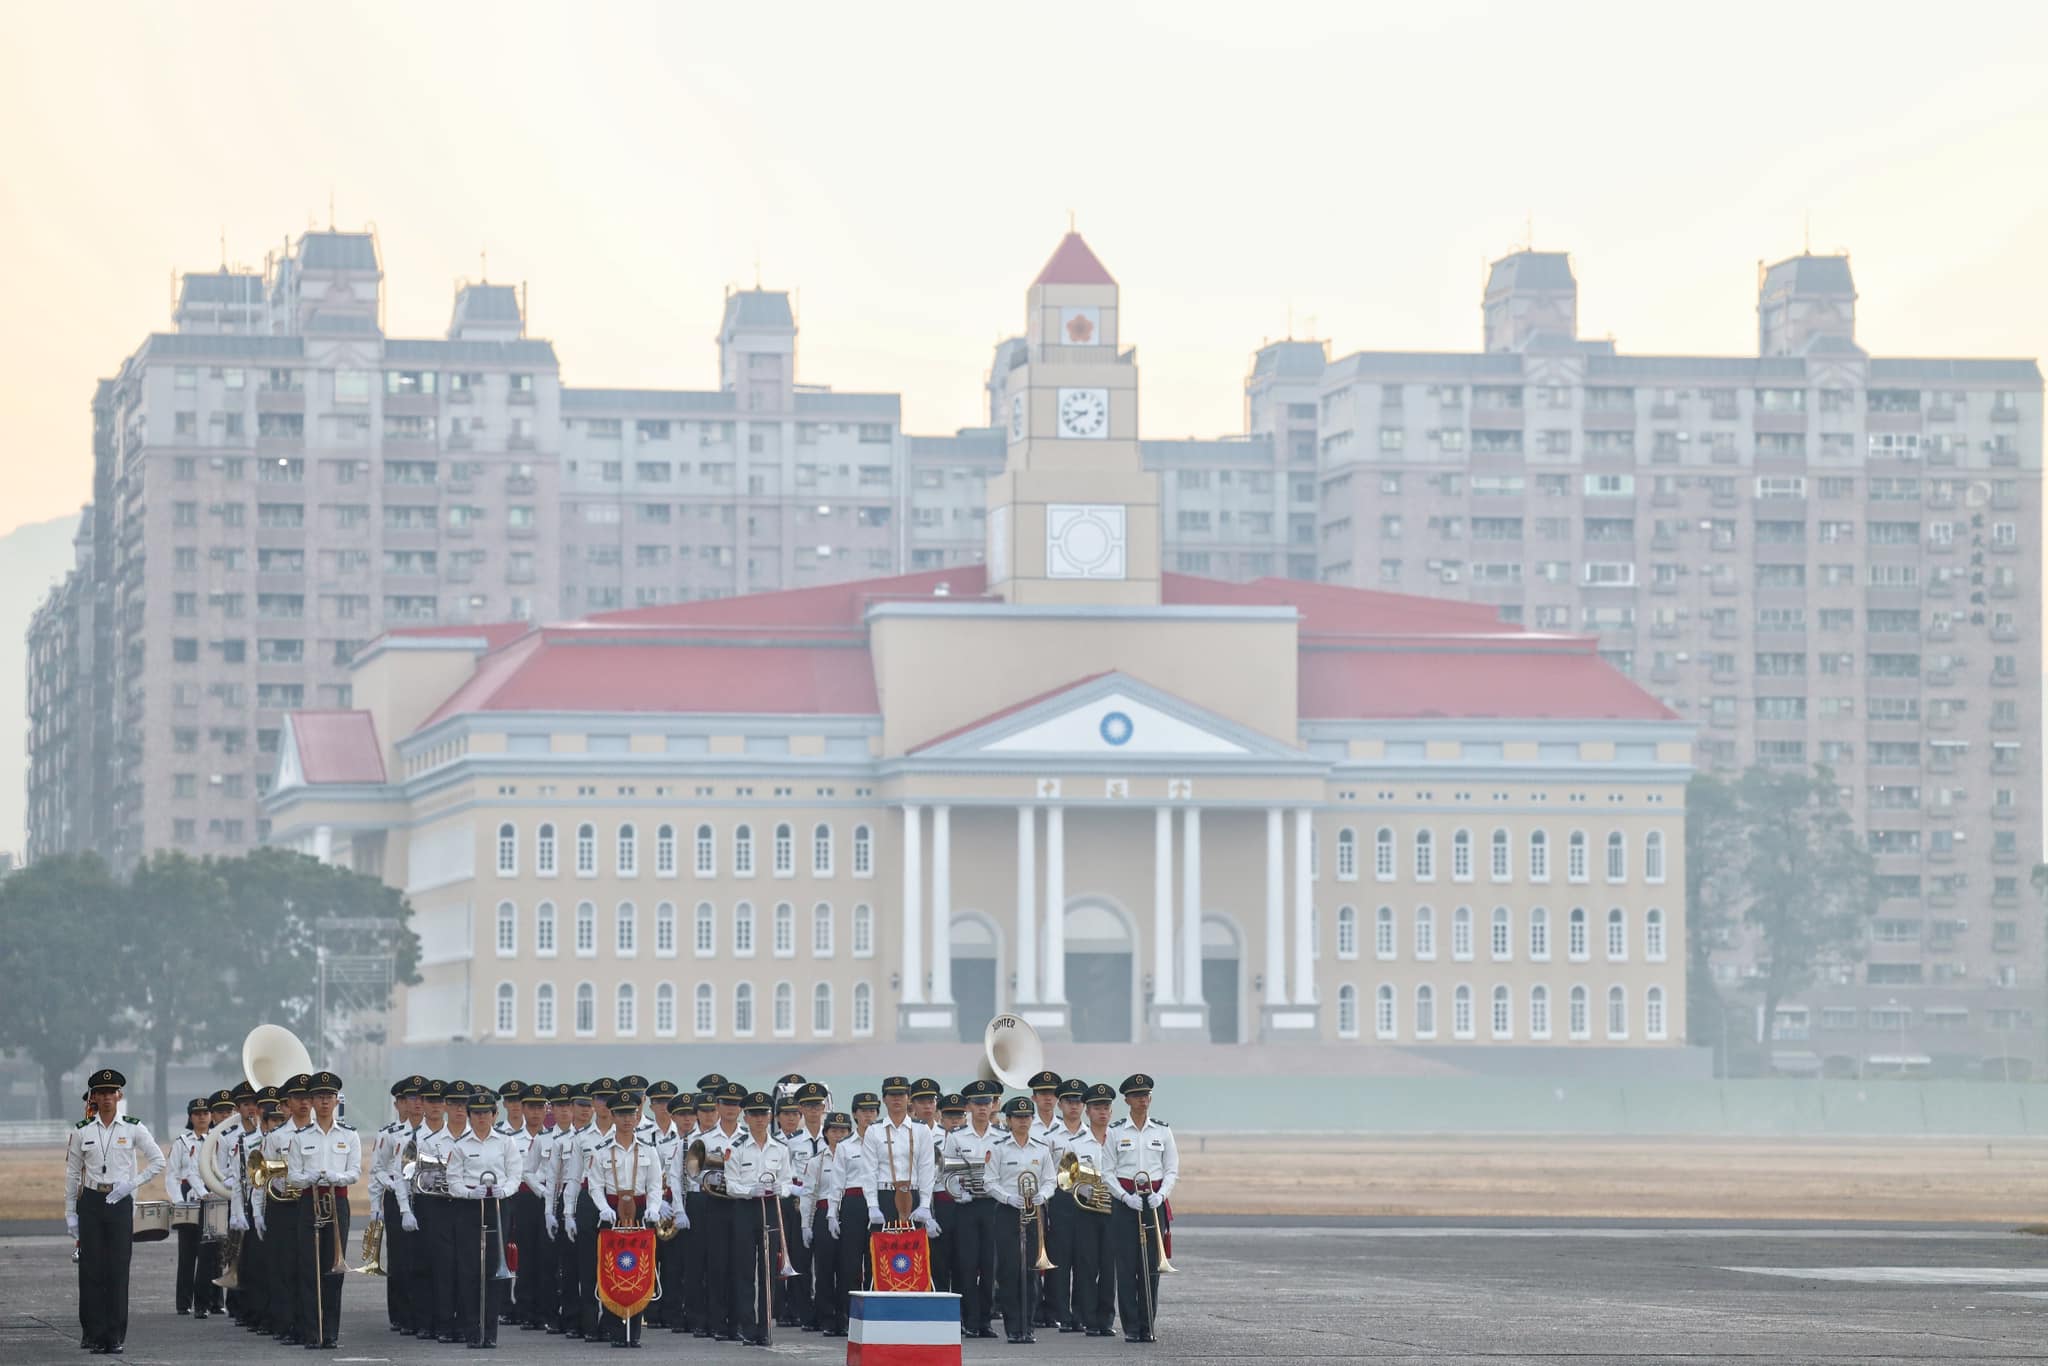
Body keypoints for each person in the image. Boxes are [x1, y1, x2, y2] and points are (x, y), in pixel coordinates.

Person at [65, 1068, 165, 1356]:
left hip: (119, 1201)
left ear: (119, 1095)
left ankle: (115, 1335)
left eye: (112, 1092)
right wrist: (70, 1212)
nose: (107, 1097)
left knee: (118, 1270)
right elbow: (72, 1174)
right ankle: (95, 1334)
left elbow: (158, 1161)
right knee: (92, 1270)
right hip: (92, 1201)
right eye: (102, 1093)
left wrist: (130, 1185)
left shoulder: (133, 1127)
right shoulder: (81, 1129)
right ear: (94, 1097)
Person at [285, 1070, 360, 1350]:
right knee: (308, 1269)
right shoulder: (301, 1137)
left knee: (333, 1268)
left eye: (329, 1096)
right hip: (309, 1202)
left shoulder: (349, 1136)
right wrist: (311, 1178)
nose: (325, 1102)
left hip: (337, 1201)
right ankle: (311, 1332)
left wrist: (335, 1177)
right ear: (313, 1101)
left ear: (336, 1100)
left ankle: (330, 1332)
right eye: (319, 1097)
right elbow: (293, 1176)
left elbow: (354, 1172)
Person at [1104, 1073, 1177, 1343]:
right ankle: (1132, 1327)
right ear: (1126, 1100)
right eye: (1137, 1096)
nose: (1142, 1100)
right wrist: (1124, 1197)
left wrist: (1161, 1194)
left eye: (1146, 1095)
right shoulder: (1116, 1130)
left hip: (1153, 1202)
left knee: (1152, 1268)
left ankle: (1148, 1325)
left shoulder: (1162, 1130)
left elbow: (1171, 1169)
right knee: (1126, 1266)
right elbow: (1107, 1172)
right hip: (1125, 1203)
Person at [588, 1089, 662, 1348]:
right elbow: (594, 1185)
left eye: (631, 1114)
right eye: (621, 1114)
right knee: (613, 1270)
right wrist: (602, 1209)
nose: (627, 1119)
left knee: (638, 1270)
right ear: (613, 1115)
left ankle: (634, 1331)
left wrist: (654, 1208)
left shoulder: (649, 1150)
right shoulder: (601, 1149)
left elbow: (655, 1185)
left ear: (637, 1115)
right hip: (611, 1212)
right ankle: (615, 1330)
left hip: (640, 1212)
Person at [447, 1088, 518, 1349]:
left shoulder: (506, 1142)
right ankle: (472, 1331)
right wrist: (468, 1192)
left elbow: (514, 1175)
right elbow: (452, 1181)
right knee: (469, 1272)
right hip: (468, 1208)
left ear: (494, 1114)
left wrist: (505, 1190)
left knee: (494, 1272)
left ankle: (491, 1332)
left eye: (485, 1113)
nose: (481, 1118)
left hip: (498, 1206)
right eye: (476, 1114)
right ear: (469, 1116)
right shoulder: (460, 1145)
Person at [723, 1090, 791, 1347]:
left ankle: (764, 1327)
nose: (759, 1119)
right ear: (746, 1117)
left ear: (770, 1116)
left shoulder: (780, 1149)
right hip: (745, 1208)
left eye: (763, 1114)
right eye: (754, 1115)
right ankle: (747, 1326)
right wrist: (748, 1190)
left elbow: (786, 1181)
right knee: (743, 1269)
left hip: (770, 1208)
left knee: (767, 1271)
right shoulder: (735, 1147)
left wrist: (779, 1190)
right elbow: (730, 1185)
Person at [988, 1095, 1054, 1344]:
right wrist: (1007, 1198)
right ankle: (1013, 1327)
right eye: (1018, 1117)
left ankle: (1028, 1326)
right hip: (1008, 1212)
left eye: (1027, 1117)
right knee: (1009, 1271)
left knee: (1032, 1272)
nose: (1023, 1121)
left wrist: (1043, 1195)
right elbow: (989, 1182)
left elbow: (1049, 1180)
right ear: (1008, 1120)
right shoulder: (999, 1148)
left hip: (1034, 1212)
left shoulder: (1041, 1148)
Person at [938, 1081, 1001, 1338]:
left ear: (993, 1106)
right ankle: (969, 1320)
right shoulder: (956, 1136)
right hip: (965, 1207)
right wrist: (958, 1192)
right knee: (966, 1264)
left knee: (989, 1266)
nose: (983, 1108)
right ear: (968, 1106)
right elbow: (946, 1173)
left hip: (992, 1206)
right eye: (977, 1103)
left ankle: (984, 1320)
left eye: (987, 1103)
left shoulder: (1002, 1136)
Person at [821, 1093, 880, 1337]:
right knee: (851, 1264)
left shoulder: (884, 1142)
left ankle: (875, 1315)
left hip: (878, 1203)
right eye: (864, 1110)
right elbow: (837, 1183)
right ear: (855, 1114)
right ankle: (849, 1316)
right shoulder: (845, 1146)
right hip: (854, 1203)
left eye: (873, 1110)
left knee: (876, 1261)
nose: (868, 1115)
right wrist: (832, 1214)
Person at [1066, 1082, 1120, 1337]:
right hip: (1086, 1211)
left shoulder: (1120, 1140)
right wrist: (1083, 1189)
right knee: (1086, 1266)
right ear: (1087, 1111)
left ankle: (1106, 1319)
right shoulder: (1077, 1143)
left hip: (1113, 1211)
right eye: (1097, 1107)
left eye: (1106, 1107)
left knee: (1109, 1268)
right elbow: (1065, 1178)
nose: (1102, 1112)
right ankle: (1087, 1318)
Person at [1042, 1076, 1090, 1331]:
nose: (1074, 1106)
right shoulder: (1051, 1137)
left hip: (1085, 1200)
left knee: (1084, 1260)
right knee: (1060, 1260)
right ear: (1060, 1104)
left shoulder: (1091, 1135)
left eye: (1079, 1101)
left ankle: (1081, 1313)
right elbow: (1047, 1171)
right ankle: (1060, 1313)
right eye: (1069, 1101)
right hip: (1060, 1200)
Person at [862, 1077, 932, 1234]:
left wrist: (925, 1204)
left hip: (913, 1195)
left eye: (901, 1094)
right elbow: (869, 1171)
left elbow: (926, 1168)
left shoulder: (921, 1130)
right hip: (885, 1195)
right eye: (892, 1095)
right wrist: (872, 1205)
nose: (897, 1099)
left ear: (908, 1098)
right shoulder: (874, 1130)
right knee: (885, 1253)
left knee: (914, 1254)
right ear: (884, 1099)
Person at [167, 1097, 212, 1319]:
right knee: (187, 1254)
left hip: (213, 1198)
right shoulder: (182, 1142)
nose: (202, 1117)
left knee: (212, 1252)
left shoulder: (217, 1140)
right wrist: (178, 1202)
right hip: (188, 1198)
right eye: (197, 1113)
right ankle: (183, 1302)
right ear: (190, 1117)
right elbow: (172, 1175)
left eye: (205, 1113)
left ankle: (213, 1301)